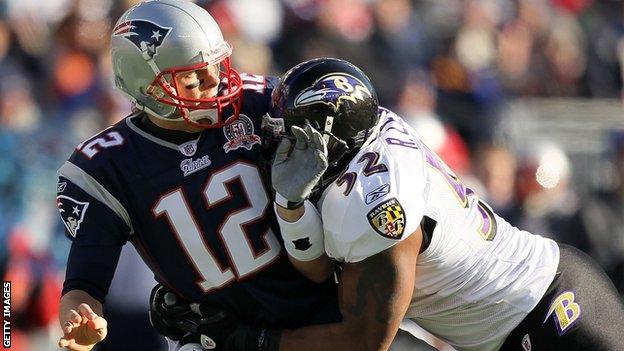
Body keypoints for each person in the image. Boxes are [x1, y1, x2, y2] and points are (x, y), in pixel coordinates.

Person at [56, 2, 432, 351]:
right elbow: (84, 283)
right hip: (218, 335)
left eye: (215, 66)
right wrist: (79, 315)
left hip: (322, 309)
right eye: (192, 79)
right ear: (145, 87)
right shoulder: (105, 167)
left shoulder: (260, 102)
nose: (213, 83)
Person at [189, 58, 624, 350]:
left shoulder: (374, 203)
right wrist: (290, 206)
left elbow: (363, 341)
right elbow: (319, 266)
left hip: (549, 314)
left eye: (290, 135)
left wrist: (246, 340)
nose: (275, 144)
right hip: (524, 311)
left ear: (330, 142)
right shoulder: (367, 134)